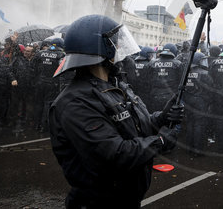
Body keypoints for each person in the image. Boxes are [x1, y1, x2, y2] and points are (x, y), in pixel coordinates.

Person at [49, 14, 183, 208]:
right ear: (98, 49)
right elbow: (114, 155)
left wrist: (161, 118)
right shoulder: (76, 102)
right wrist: (160, 142)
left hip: (125, 199)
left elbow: (131, 126)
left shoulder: (115, 85)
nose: (118, 49)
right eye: (114, 44)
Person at [183, 52, 213, 156]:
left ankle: (189, 148)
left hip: (188, 100)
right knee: (199, 125)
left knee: (190, 123)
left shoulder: (185, 72)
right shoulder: (204, 73)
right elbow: (210, 89)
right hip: (200, 101)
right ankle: (198, 150)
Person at [143, 43, 184, 113]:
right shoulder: (178, 64)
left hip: (155, 97)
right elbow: (182, 82)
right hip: (172, 98)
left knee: (157, 119)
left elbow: (146, 81)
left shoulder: (152, 63)